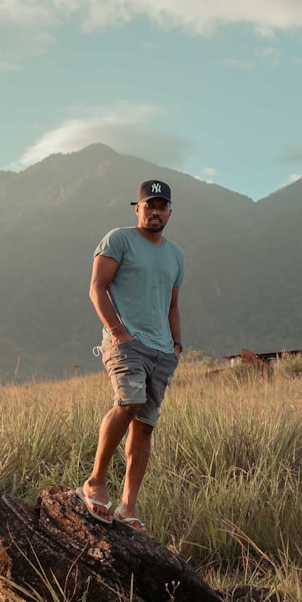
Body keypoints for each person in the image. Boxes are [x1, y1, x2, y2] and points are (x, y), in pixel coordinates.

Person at [76, 178, 184, 535]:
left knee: (145, 424)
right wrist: (119, 332)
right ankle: (94, 483)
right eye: (148, 205)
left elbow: (172, 304)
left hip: (162, 350)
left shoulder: (176, 255)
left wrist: (177, 346)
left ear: (169, 211)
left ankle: (128, 506)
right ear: (137, 208)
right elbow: (97, 287)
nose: (155, 211)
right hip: (126, 343)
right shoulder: (118, 239)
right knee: (128, 402)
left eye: (161, 206)